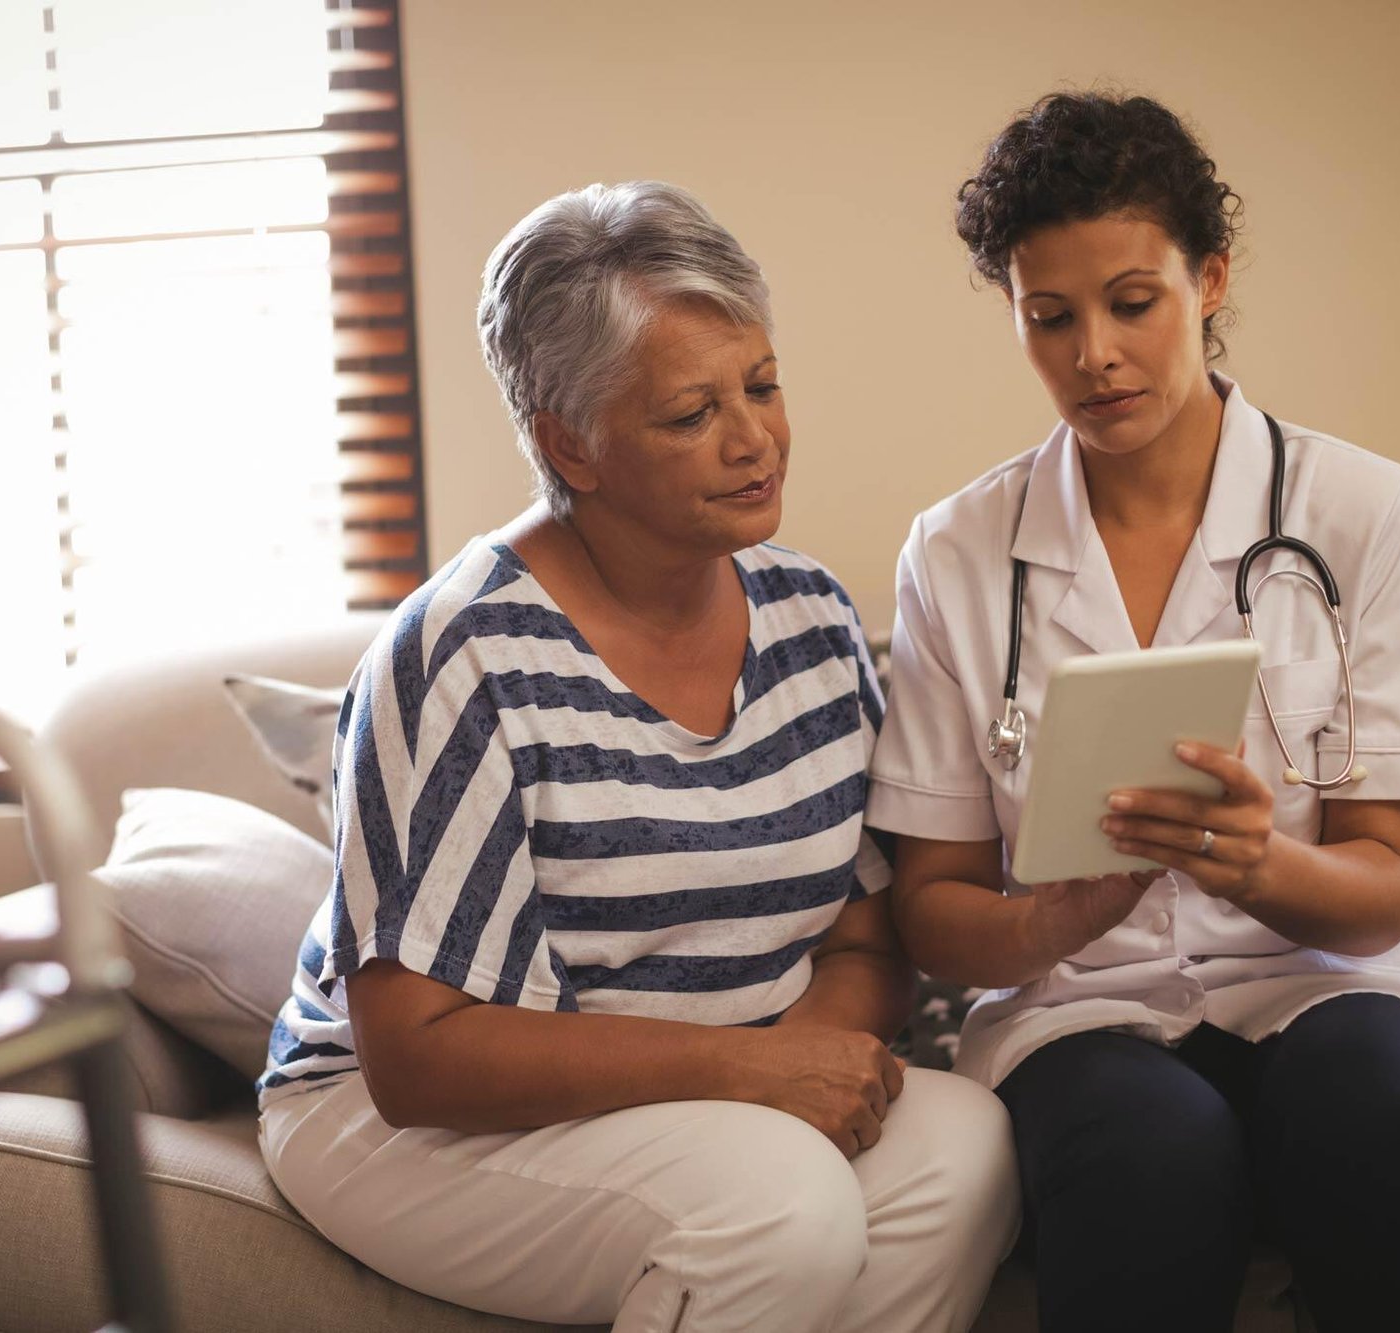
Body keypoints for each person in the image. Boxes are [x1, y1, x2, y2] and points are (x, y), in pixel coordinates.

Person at [258, 181, 1019, 1332]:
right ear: (574, 444)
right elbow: (418, 1057)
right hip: (398, 1117)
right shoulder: (458, 654)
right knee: (777, 1204)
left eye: (761, 385)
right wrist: (745, 1078)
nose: (753, 436)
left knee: (967, 1143)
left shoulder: (811, 619)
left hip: (721, 1087)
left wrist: (805, 1050)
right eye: (689, 414)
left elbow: (868, 927)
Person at [868, 92, 1400, 1333]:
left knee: (1376, 1102)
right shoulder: (956, 551)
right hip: (1080, 1012)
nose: (1090, 353)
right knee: (1147, 1152)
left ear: (1206, 280)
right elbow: (933, 911)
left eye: (1129, 302)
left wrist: (1262, 866)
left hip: (1321, 983)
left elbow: (1389, 882)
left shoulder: (1364, 512)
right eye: (1047, 317)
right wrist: (1055, 912)